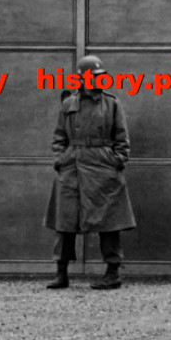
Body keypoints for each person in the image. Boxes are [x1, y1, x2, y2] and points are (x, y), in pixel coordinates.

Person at [44, 55, 136, 290]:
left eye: (101, 76)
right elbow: (59, 137)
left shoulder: (112, 103)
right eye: (94, 76)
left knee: (109, 222)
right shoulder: (68, 104)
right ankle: (61, 272)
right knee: (65, 221)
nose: (98, 79)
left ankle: (113, 273)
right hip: (72, 166)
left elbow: (121, 140)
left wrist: (116, 161)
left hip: (102, 167)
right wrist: (60, 160)